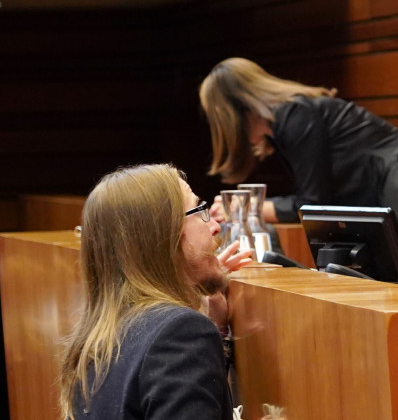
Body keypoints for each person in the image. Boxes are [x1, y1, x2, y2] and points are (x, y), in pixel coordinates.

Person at [58, 164, 255, 420]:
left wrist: (214, 326)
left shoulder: (98, 337)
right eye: (199, 211)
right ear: (165, 232)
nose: (215, 226)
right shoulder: (181, 333)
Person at [199, 58, 398, 225]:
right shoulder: (285, 123)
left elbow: (313, 204)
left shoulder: (295, 114)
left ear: (236, 112)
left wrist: (246, 207)